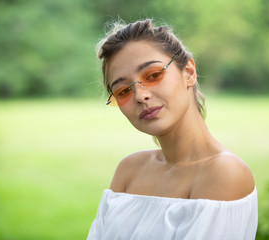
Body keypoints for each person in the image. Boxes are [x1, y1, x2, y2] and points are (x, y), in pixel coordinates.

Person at [87, 19, 258, 240]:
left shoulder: (224, 173)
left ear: (189, 72)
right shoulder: (128, 170)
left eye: (153, 75)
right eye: (123, 91)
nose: (140, 96)